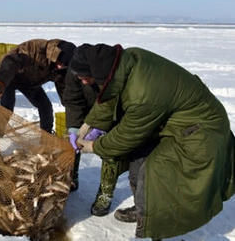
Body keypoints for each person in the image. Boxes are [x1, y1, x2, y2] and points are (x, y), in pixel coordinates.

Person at [70, 43, 235, 239]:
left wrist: (93, 146)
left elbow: (126, 136)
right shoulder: (124, 62)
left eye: (84, 77)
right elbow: (109, 97)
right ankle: (144, 211)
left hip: (201, 130)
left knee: (155, 171)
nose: (84, 82)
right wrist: (87, 126)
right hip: (172, 121)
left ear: (97, 73)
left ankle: (158, 224)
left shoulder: (142, 93)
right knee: (137, 161)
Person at [62, 69, 127, 215]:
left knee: (109, 150)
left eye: (86, 77)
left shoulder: (111, 76)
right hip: (87, 112)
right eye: (81, 78)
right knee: (72, 142)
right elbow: (73, 101)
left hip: (113, 114)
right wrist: (74, 128)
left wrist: (100, 127)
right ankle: (72, 177)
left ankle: (105, 194)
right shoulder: (73, 74)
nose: (83, 81)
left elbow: (115, 105)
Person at [0, 39, 75, 134]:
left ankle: (46, 138)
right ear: (56, 55)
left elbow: (63, 88)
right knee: (6, 109)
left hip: (29, 81)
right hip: (9, 77)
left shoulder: (61, 69)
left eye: (64, 66)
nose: (60, 67)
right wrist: (1, 81)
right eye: (60, 63)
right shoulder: (36, 50)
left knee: (45, 106)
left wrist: (70, 106)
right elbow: (12, 61)